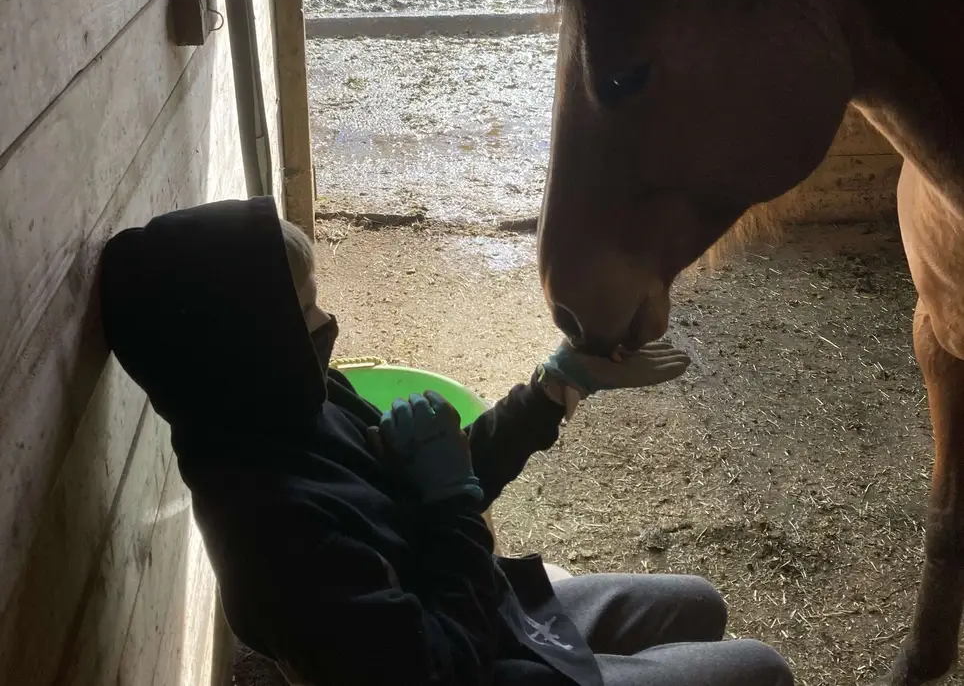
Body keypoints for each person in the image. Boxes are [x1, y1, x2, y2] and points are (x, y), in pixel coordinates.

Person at [99, 197, 793, 686]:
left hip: (484, 610)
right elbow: (436, 666)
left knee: (699, 602)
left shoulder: (290, 403)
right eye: (305, 311)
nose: (329, 322)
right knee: (763, 670)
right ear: (245, 344)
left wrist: (552, 389)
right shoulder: (275, 530)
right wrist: (452, 503)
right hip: (477, 663)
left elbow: (441, 476)